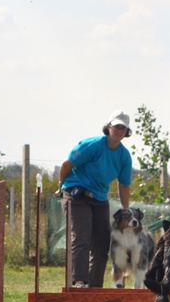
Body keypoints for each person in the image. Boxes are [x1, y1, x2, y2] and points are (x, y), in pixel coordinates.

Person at [56, 111, 133, 287]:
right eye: (116, 126)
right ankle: (80, 281)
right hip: (76, 193)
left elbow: (123, 185)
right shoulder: (92, 145)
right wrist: (61, 186)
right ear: (108, 127)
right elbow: (66, 165)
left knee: (102, 241)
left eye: (123, 128)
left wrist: (125, 210)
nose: (119, 130)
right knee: (81, 236)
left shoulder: (124, 156)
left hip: (99, 198)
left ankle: (95, 286)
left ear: (127, 132)